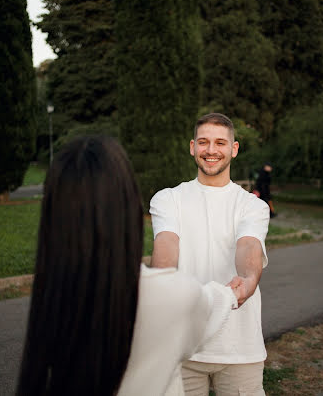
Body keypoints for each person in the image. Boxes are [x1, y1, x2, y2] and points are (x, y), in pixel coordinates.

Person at [17, 135, 238, 396]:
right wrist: (232, 293)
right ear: (129, 205)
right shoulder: (175, 296)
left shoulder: (52, 298)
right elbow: (209, 308)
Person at [150, 113, 270, 396]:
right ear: (192, 147)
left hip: (240, 348)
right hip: (182, 348)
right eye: (203, 142)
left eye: (220, 143)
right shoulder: (168, 198)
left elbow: (248, 245)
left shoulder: (252, 206)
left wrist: (248, 280)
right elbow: (167, 244)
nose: (211, 150)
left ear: (234, 148)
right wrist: (160, 285)